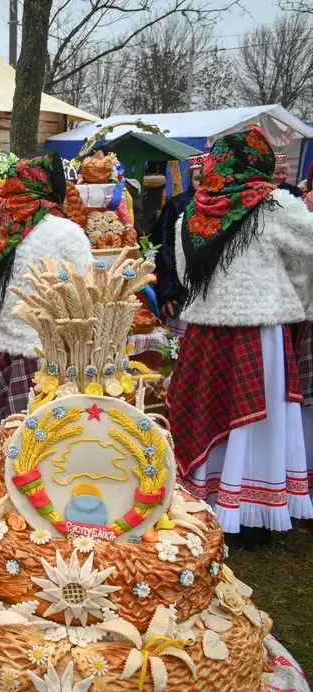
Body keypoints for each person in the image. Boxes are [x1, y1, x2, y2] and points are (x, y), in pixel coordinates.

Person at [169, 125, 313, 545]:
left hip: (205, 331)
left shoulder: (191, 214)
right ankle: (251, 514)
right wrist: (300, 299)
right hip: (259, 329)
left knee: (208, 410)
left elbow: (185, 275)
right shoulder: (274, 205)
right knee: (257, 420)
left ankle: (211, 501)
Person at [0, 151, 93, 464]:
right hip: (45, 357)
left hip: (2, 352)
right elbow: (88, 295)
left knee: (6, 447)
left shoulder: (0, 227)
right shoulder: (65, 232)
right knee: (42, 452)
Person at [154, 153, 205, 318]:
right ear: (190, 179)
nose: (203, 184)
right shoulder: (176, 206)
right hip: (181, 288)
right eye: (198, 179)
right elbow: (165, 249)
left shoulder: (227, 205)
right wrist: (168, 292)